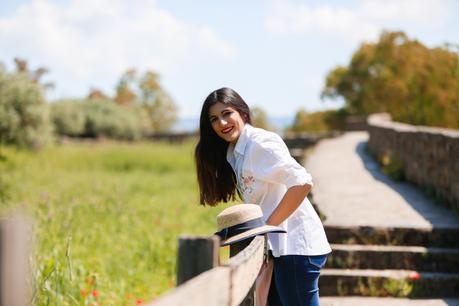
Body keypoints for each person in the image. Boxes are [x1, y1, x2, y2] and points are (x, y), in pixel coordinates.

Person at [195, 87, 332, 306]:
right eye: (214, 119)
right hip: (279, 250)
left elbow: (302, 182)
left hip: (295, 247)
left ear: (243, 113)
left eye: (227, 113)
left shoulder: (259, 144)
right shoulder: (236, 152)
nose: (221, 123)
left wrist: (267, 228)